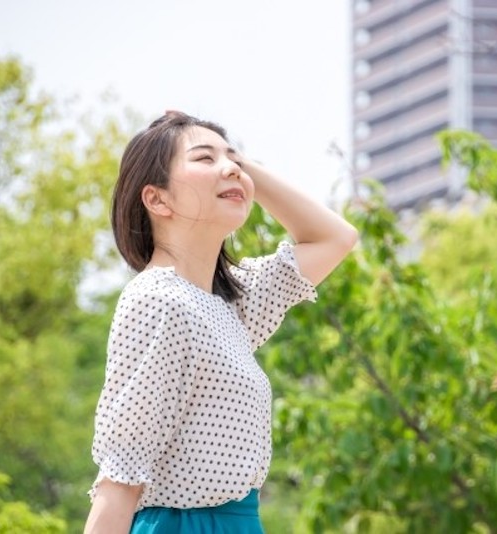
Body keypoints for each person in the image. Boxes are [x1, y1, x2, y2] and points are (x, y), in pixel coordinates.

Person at [84, 111, 358, 534]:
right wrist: (230, 169)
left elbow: (335, 238)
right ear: (157, 199)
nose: (230, 167)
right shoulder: (158, 301)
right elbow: (120, 477)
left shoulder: (233, 304)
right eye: (204, 158)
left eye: (235, 158)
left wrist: (239, 169)